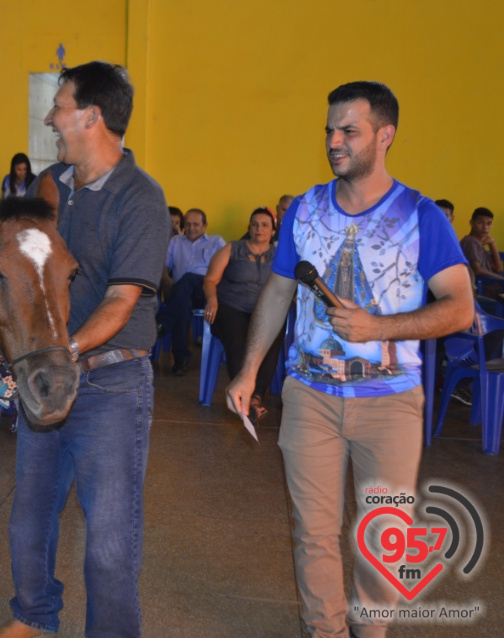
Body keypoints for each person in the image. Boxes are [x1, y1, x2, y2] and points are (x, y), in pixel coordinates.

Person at [225, 81, 472, 638]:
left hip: (390, 403)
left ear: (385, 136)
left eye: (348, 131)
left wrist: (378, 327)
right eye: (329, 130)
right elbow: (278, 292)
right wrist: (248, 369)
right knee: (312, 532)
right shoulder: (306, 208)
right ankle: (326, 631)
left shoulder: (421, 216)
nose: (334, 141)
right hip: (309, 395)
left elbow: (459, 308)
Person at [0, 61, 169, 638]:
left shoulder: (141, 198)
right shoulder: (49, 185)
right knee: (29, 519)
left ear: (91, 116)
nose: (49, 117)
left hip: (111, 385)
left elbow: (121, 302)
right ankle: (33, 619)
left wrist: (60, 354)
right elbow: (9, 254)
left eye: (59, 106)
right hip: (49, 375)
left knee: (110, 541)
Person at [204, 207, 281, 423]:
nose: (259, 229)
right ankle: (241, 394)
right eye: (254, 224)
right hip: (231, 307)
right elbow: (210, 280)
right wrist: (212, 299)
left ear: (273, 230)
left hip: (265, 311)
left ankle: (255, 398)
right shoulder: (232, 249)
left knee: (272, 339)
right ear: (249, 228)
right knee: (237, 340)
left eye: (265, 225)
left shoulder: (279, 255)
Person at [159, 207, 225, 374]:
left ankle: (162, 322)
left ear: (205, 226)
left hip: (206, 291)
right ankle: (181, 359)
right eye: (187, 224)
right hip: (181, 293)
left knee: (188, 278)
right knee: (182, 306)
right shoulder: (176, 242)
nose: (191, 228)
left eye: (196, 224)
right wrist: (165, 277)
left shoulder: (216, 242)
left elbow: (227, 268)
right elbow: (165, 266)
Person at [460, 207, 503, 293]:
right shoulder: (470, 242)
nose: (485, 227)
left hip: (494, 286)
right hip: (483, 289)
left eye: (489, 224)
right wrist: (502, 278)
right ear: (472, 223)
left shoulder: (478, 244)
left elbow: (499, 269)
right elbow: (477, 270)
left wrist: (492, 244)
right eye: (480, 223)